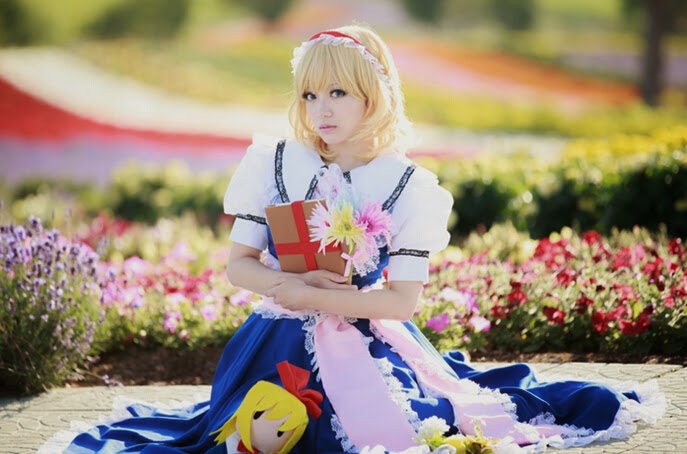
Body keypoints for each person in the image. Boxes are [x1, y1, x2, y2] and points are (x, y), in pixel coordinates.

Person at [54, 24, 664, 454]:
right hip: (271, 343)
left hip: (370, 341)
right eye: (309, 94)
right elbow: (238, 265)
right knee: (254, 435)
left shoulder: (407, 185)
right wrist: (291, 283)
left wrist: (319, 298)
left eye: (338, 92)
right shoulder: (275, 162)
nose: (321, 109)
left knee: (407, 428)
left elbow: (402, 302)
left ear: (376, 96)